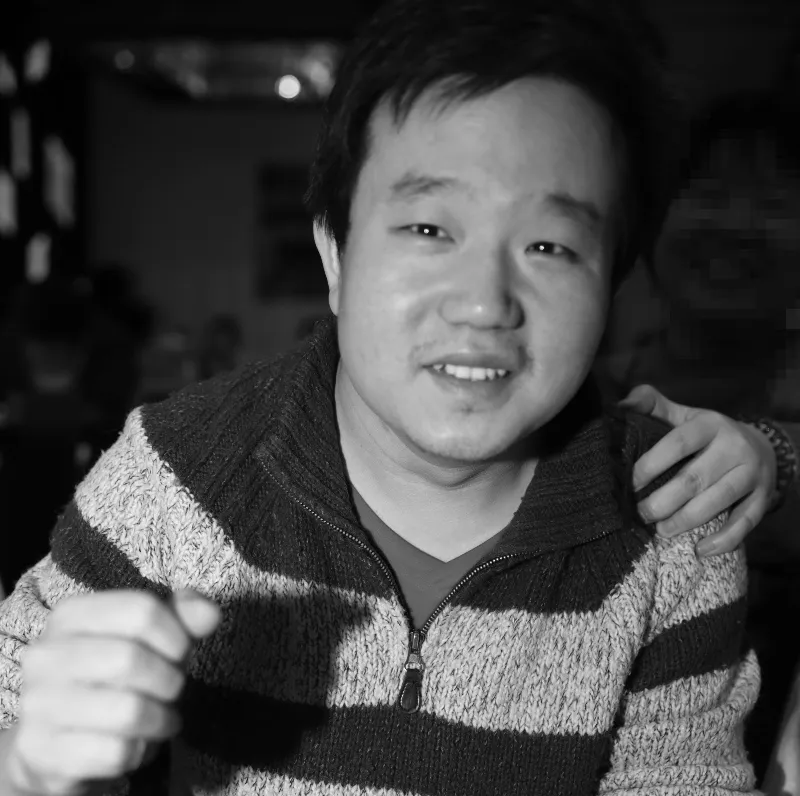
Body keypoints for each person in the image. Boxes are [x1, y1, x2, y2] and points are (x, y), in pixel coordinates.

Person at [0, 1, 795, 793]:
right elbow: (15, 710)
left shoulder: (674, 527)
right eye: (428, 230)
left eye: (550, 246)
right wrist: (31, 766)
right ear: (336, 255)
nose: (483, 304)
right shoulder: (177, 474)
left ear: (612, 286)